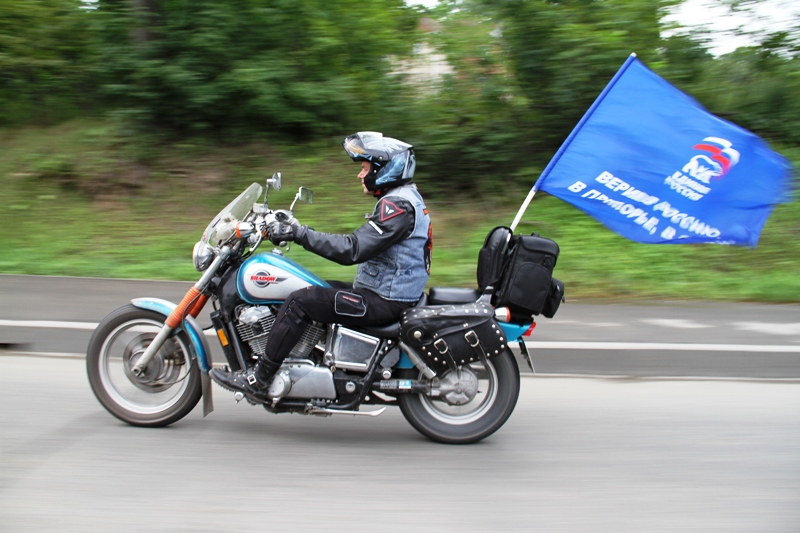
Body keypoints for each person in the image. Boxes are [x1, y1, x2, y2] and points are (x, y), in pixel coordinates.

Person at [210, 131, 432, 399]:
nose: (360, 175)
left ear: (386, 169)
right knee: (313, 288)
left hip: (386, 300)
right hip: (384, 292)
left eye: (365, 168)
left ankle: (259, 379)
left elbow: (353, 249)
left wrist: (297, 233)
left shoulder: (396, 206)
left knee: (300, 301)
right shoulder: (404, 198)